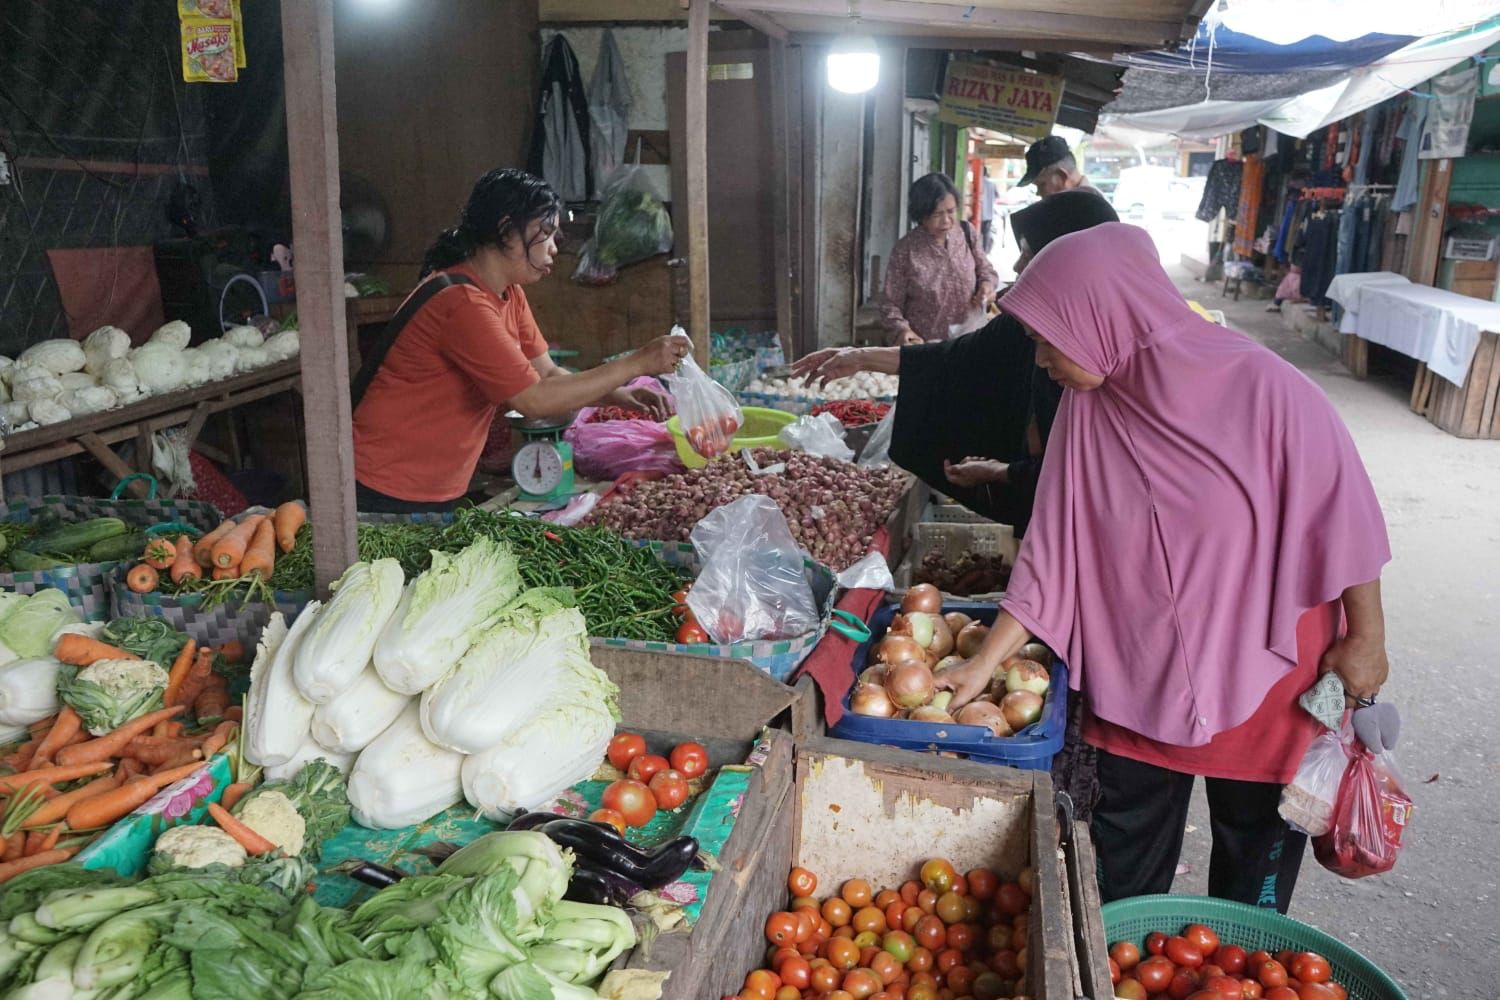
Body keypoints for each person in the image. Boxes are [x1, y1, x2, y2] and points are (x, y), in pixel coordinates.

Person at [937, 222, 1392, 913]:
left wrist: (1367, 640)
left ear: (1100, 314)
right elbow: (1053, 553)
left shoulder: (1268, 388)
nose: (1039, 361)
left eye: (1042, 336)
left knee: (1251, 887)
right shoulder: (1089, 411)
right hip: (1136, 678)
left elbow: (1346, 517)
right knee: (1119, 885)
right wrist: (982, 664)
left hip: (1269, 683)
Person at [352, 168, 690, 513]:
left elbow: (546, 374)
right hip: (387, 484)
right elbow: (533, 399)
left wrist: (620, 396)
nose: (555, 248)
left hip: (432, 485)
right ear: (506, 231)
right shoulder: (461, 302)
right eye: (546, 234)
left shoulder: (507, 293)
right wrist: (638, 361)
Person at [795, 189, 1118, 536]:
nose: (1018, 266)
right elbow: (954, 358)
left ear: (1069, 258)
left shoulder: (1119, 356)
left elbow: (1094, 478)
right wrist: (859, 358)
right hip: (1048, 519)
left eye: (1028, 252)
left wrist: (1005, 472)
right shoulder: (1026, 324)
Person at [881, 172, 998, 346]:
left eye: (951, 212)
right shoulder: (906, 250)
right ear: (921, 215)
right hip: (926, 347)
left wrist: (987, 287)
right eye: (937, 215)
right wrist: (903, 330)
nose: (946, 221)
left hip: (970, 342)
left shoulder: (966, 233)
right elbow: (890, 304)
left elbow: (986, 271)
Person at [1020, 136, 1089, 197]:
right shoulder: (1076, 202)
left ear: (1061, 177)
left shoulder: (1088, 206)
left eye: (1042, 185)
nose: (1038, 193)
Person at [979, 167, 999, 254]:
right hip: (989, 213)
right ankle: (985, 251)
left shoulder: (978, 183)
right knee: (986, 234)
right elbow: (997, 196)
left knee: (977, 233)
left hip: (979, 213)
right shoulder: (992, 184)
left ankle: (978, 251)